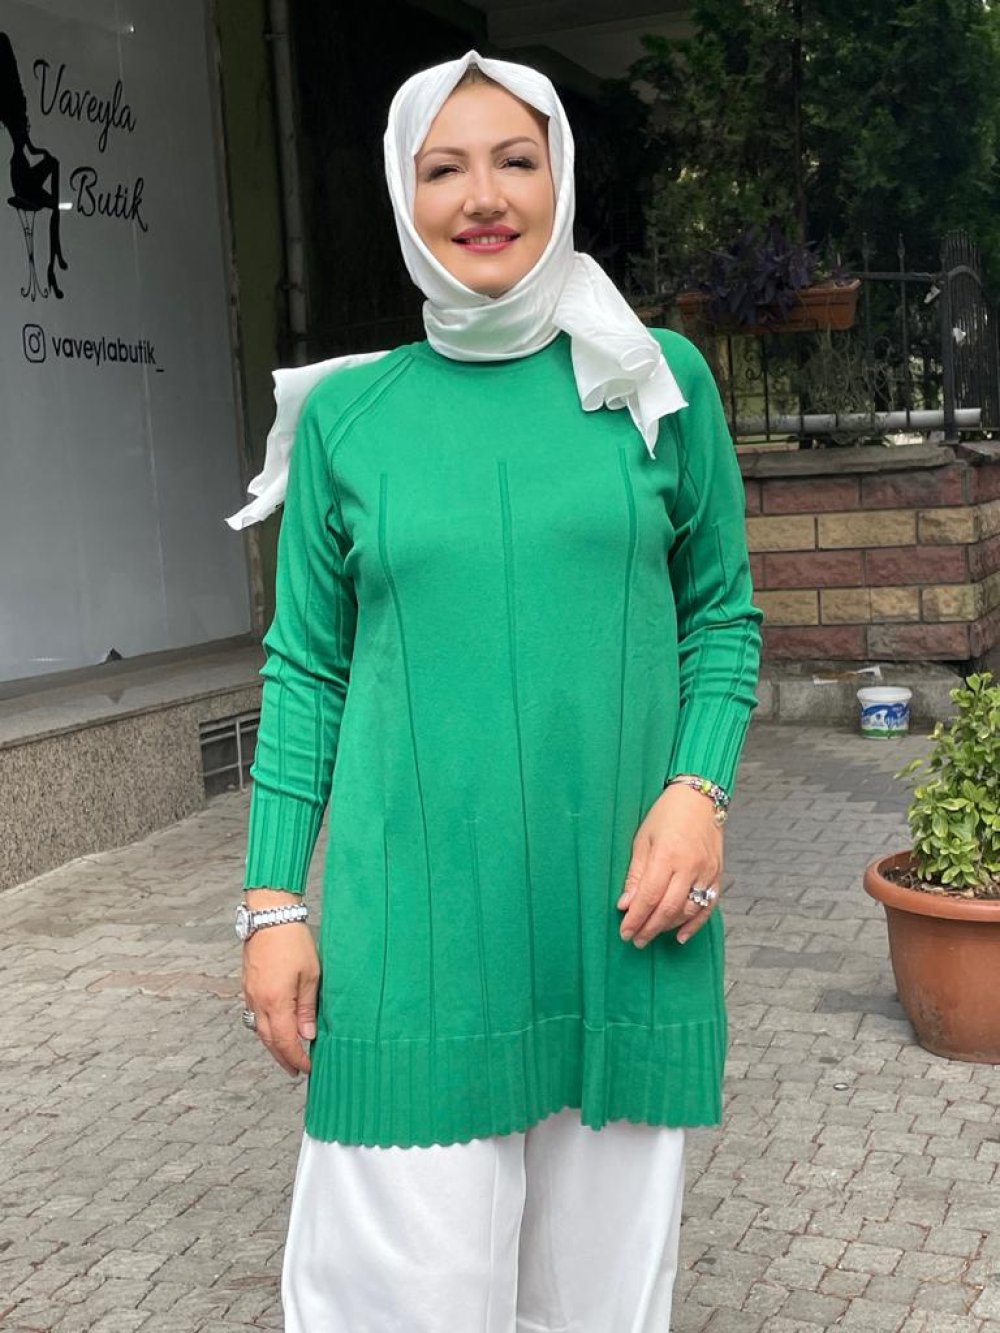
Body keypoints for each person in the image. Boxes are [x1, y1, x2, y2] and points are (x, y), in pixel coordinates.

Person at [228, 49, 763, 1333]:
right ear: (402, 195)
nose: (483, 196)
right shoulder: (352, 418)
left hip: (619, 920)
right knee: (397, 1305)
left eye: (516, 160)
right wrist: (271, 904)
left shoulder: (653, 380)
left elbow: (720, 616)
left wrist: (698, 791)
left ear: (559, 177)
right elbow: (305, 670)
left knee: (598, 1310)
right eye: (444, 168)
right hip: (411, 943)